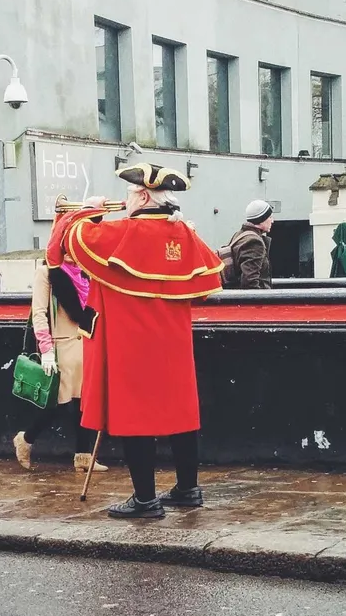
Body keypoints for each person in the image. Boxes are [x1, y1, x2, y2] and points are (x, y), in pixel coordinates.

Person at [59, 163, 223, 519]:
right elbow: (204, 289)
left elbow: (63, 243)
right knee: (182, 415)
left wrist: (90, 209)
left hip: (130, 343)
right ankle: (187, 489)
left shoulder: (119, 233)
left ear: (144, 195)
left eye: (130, 194)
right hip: (175, 343)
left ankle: (146, 500)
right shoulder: (185, 234)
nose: (125, 200)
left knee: (135, 418)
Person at [12, 217, 107, 474]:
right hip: (61, 347)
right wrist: (46, 350)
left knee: (85, 404)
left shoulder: (87, 273)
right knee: (59, 404)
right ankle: (26, 439)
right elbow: (39, 313)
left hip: (85, 344)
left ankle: (83, 456)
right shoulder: (47, 273)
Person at [221, 199, 274, 289]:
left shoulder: (239, 235)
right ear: (261, 219)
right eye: (270, 217)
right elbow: (250, 281)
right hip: (254, 301)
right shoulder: (254, 242)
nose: (272, 221)